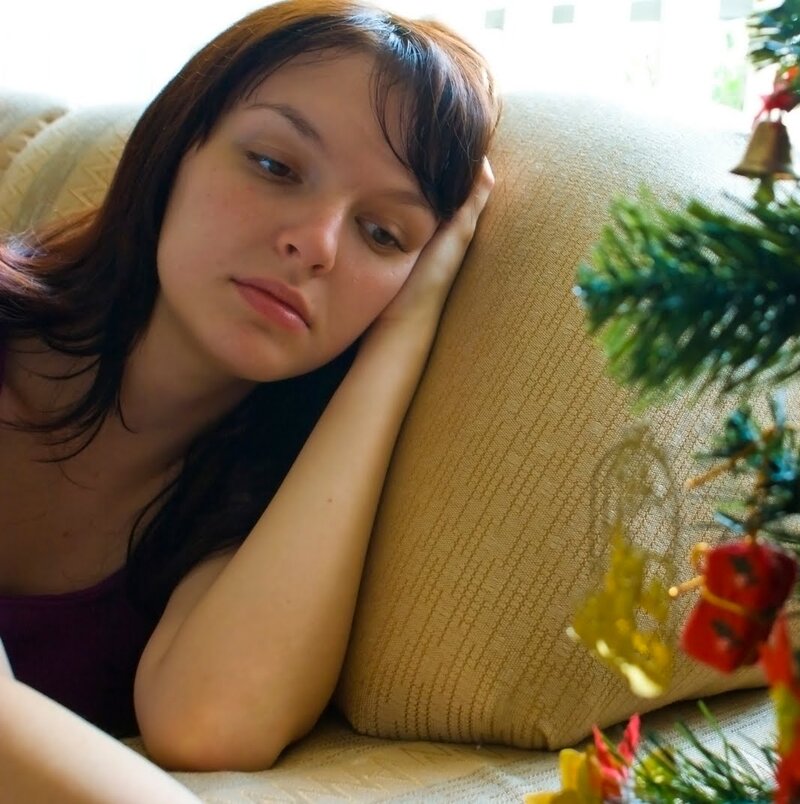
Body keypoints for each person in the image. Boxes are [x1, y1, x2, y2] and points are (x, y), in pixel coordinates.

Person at [0, 0, 497, 797]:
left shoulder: (253, 503)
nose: (317, 243)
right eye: (275, 166)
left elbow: (210, 723)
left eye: (382, 234)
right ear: (177, 147)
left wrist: (401, 334)